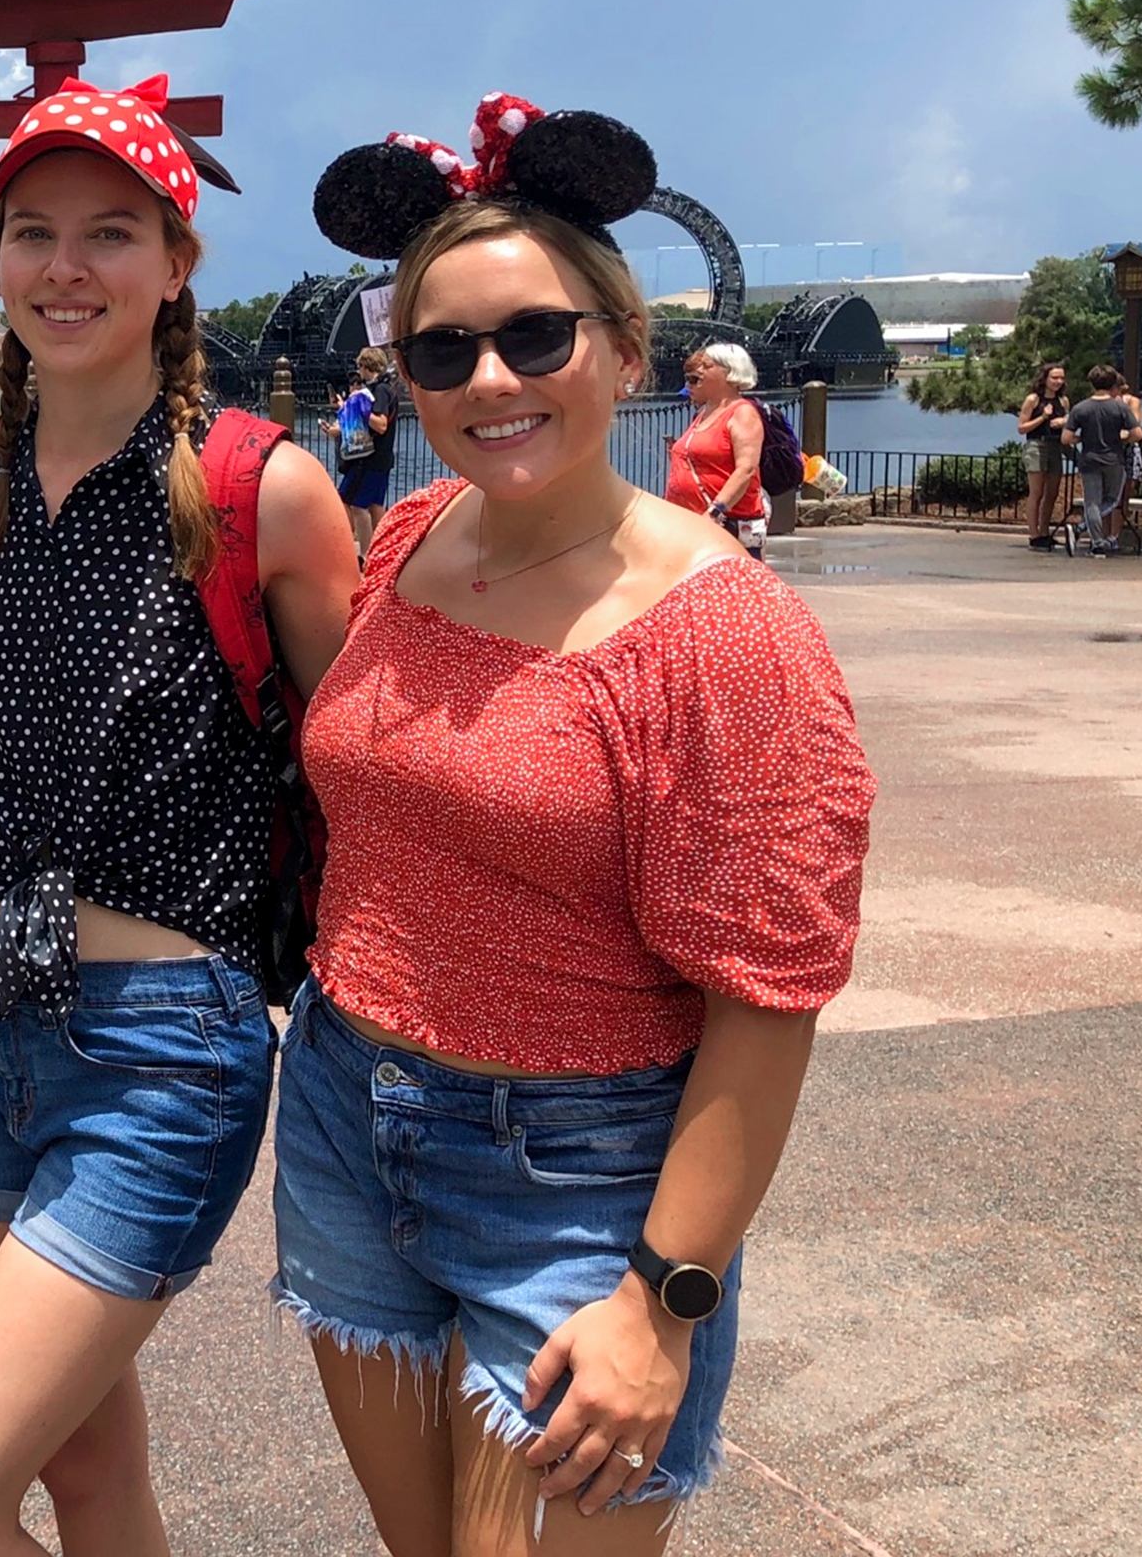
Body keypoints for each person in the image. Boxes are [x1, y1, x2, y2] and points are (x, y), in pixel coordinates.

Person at [281, 100, 875, 1554]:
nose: (490, 379)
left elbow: (766, 996)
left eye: (534, 338)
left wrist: (668, 1300)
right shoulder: (413, 540)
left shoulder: (717, 633)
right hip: (350, 1109)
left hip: (584, 1167)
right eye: (441, 352)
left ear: (624, 349)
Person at [0, 76, 358, 1557]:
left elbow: (356, 776)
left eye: (109, 234)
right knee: (85, 1478)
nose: (64, 269)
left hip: (158, 1040)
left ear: (177, 262)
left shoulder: (262, 489)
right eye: (31, 234)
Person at [666, 342, 766, 555]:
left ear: (728, 372)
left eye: (708, 366)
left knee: (732, 586)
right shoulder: (705, 412)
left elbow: (746, 469)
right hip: (692, 522)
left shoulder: (742, 413)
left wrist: (715, 511)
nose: (700, 371)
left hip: (725, 523)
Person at [1062, 366, 1140, 556]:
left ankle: (1096, 542)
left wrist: (1081, 439)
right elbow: (1137, 433)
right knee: (1113, 500)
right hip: (1114, 458)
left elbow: (1066, 438)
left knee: (1092, 502)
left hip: (1089, 458)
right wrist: (1122, 439)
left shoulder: (1080, 408)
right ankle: (1081, 529)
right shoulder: (1120, 407)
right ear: (1113, 383)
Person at [336, 346, 396, 557]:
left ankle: (366, 554)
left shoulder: (379, 391)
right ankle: (381, 552)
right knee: (375, 505)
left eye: (360, 366)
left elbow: (380, 424)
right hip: (383, 458)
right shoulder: (388, 389)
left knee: (355, 505)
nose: (358, 371)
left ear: (366, 365)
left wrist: (360, 408)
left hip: (369, 459)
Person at [1016, 362, 1072, 548]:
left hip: (1056, 445)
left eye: (1061, 378)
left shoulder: (1063, 401)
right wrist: (1043, 418)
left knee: (1053, 492)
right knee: (1036, 492)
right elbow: (1022, 428)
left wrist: (1063, 422)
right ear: (1045, 379)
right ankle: (1034, 534)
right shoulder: (1033, 400)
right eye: (1054, 378)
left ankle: (1045, 531)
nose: (1058, 381)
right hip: (1037, 445)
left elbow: (1069, 422)